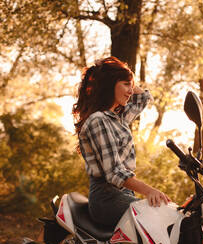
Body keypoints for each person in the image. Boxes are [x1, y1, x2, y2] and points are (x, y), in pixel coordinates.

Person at [72, 56, 170, 229]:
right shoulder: (98, 120)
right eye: (125, 84)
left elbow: (144, 98)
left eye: (131, 86)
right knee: (159, 215)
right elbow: (114, 172)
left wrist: (126, 76)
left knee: (168, 214)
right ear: (109, 85)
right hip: (107, 198)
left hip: (123, 194)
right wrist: (148, 190)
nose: (131, 91)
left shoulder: (118, 118)